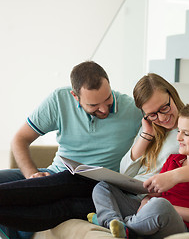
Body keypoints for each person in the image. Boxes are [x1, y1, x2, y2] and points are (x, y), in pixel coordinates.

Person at [0, 61, 142, 238]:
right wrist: (31, 174)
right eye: (94, 105)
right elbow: (20, 139)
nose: (104, 109)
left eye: (108, 99)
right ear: (75, 96)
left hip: (95, 186)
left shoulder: (133, 110)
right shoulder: (59, 100)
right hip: (54, 174)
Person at [92, 101, 189, 238]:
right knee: (103, 186)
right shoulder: (173, 160)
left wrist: (169, 209)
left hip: (180, 227)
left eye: (186, 134)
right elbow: (156, 192)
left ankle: (123, 226)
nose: (178, 137)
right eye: (179, 131)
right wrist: (146, 200)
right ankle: (112, 222)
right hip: (151, 216)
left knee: (161, 206)